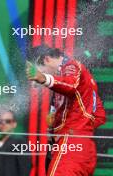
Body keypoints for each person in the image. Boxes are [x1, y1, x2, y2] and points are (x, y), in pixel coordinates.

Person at [26, 45, 106, 176]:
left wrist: (43, 78)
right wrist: (57, 125)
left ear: (46, 59)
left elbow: (71, 85)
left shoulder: (71, 65)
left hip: (71, 146)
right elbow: (99, 116)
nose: (39, 75)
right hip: (83, 149)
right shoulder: (74, 76)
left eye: (40, 70)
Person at [0, 110, 31, 176]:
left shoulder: (20, 143)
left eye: (7, 121)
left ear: (14, 124)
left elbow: (24, 170)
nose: (3, 123)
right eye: (0, 121)